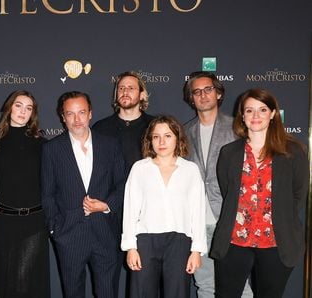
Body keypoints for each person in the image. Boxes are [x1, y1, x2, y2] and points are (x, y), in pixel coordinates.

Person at [211, 89, 309, 298]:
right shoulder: (229, 153)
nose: (255, 116)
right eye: (249, 110)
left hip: (276, 243)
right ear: (242, 116)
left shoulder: (292, 152)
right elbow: (227, 190)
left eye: (262, 110)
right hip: (234, 242)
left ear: (273, 113)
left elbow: (298, 195)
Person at [42, 91, 125, 298]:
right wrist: (56, 228)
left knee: (108, 293)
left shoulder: (110, 145)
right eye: (70, 114)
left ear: (90, 114)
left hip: (105, 232)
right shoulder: (52, 149)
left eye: (81, 112)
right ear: (63, 117)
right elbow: (47, 194)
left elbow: (123, 185)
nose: (76, 119)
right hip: (69, 234)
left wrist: (106, 206)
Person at [183, 71, 252, 298]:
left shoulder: (238, 129)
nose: (202, 95)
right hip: (197, 224)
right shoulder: (183, 132)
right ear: (191, 97)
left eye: (208, 89)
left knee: (240, 288)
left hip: (230, 220)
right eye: (196, 92)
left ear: (219, 93)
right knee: (205, 287)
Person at [121, 115, 207, 298]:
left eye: (167, 136)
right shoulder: (139, 168)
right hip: (145, 242)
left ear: (177, 138)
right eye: (156, 136)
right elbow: (130, 210)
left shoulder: (190, 170)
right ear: (150, 140)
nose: (161, 141)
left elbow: (198, 213)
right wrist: (130, 247)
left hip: (179, 242)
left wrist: (196, 250)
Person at [0, 90, 49, 298]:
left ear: (33, 114)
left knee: (25, 282)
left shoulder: (42, 145)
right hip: (4, 221)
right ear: (9, 107)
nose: (23, 111)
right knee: (4, 279)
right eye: (19, 105)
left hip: (34, 221)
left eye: (28, 108)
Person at [92, 71, 154, 171]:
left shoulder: (154, 126)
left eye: (131, 88)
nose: (125, 92)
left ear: (142, 95)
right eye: (121, 88)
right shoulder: (101, 128)